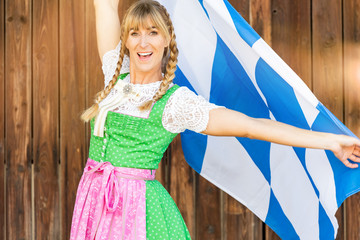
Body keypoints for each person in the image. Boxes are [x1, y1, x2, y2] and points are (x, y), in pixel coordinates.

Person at [69, 0, 360, 239]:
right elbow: (104, 5)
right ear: (126, 39)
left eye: (153, 32)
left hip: (137, 212)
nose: (143, 42)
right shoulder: (114, 76)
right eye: (135, 33)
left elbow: (252, 126)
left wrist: (330, 140)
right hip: (93, 197)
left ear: (167, 39)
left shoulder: (176, 103)